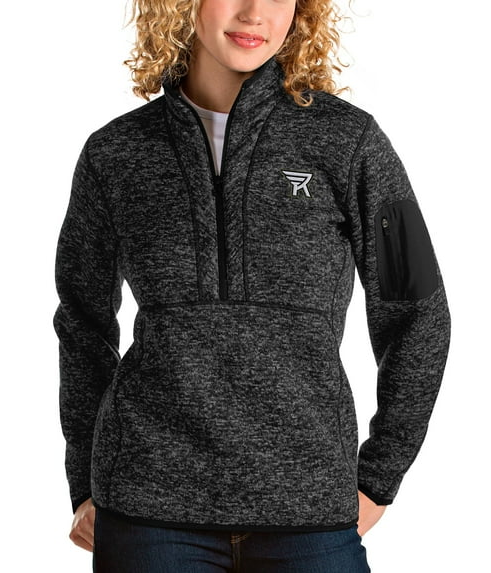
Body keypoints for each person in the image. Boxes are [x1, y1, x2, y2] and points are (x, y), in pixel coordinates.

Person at [52, 0, 451, 570]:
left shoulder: (351, 142)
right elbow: (82, 322)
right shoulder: (115, 153)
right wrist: (84, 483)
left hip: (309, 512)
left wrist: (380, 477)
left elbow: (418, 309)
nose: (255, 12)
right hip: (148, 515)